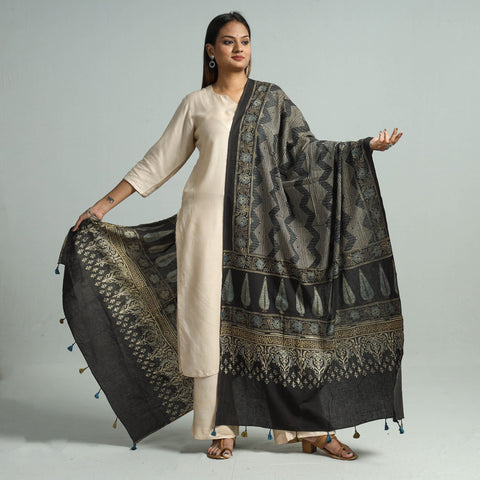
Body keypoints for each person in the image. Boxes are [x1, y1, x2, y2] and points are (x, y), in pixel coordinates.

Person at [69, 11, 404, 461]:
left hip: (264, 231)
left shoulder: (272, 100)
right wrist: (102, 206)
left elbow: (306, 152)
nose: (239, 48)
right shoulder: (197, 104)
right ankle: (220, 427)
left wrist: (361, 148)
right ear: (211, 50)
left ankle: (311, 429)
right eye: (228, 41)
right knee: (208, 324)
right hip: (204, 227)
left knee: (280, 324)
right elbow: (158, 161)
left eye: (245, 40)